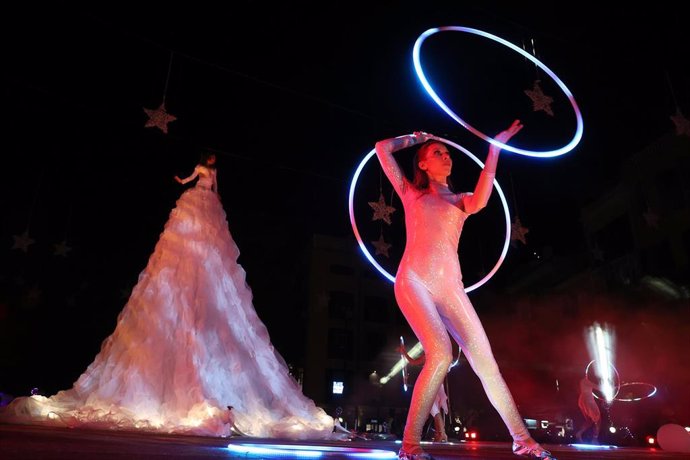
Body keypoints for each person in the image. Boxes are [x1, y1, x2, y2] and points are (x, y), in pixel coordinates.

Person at [0, 151, 337, 439]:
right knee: (180, 256)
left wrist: (213, 195)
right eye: (211, 159)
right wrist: (182, 181)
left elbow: (216, 188)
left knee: (207, 260)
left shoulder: (214, 176)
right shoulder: (200, 173)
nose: (212, 164)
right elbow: (191, 177)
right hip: (193, 205)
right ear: (206, 159)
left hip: (207, 207)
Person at [375, 120, 556, 460]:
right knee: (441, 353)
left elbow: (484, 199)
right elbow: (382, 149)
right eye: (436, 153)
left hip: (450, 287)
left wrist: (494, 149)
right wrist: (416, 138)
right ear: (423, 164)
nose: (445, 156)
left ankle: (523, 440)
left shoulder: (461, 201)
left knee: (487, 364)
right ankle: (410, 444)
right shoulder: (411, 194)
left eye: (446, 152)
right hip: (414, 280)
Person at [398, 344, 449, 443]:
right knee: (435, 411)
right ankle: (441, 434)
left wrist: (403, 352)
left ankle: (441, 433)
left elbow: (413, 362)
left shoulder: (431, 354)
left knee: (435, 411)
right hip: (436, 384)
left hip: (432, 385)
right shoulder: (440, 355)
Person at [575, 376, 601, 444]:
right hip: (587, 399)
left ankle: (579, 434)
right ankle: (594, 439)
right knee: (598, 419)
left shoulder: (584, 381)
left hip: (583, 400)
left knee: (590, 420)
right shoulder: (585, 381)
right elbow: (598, 387)